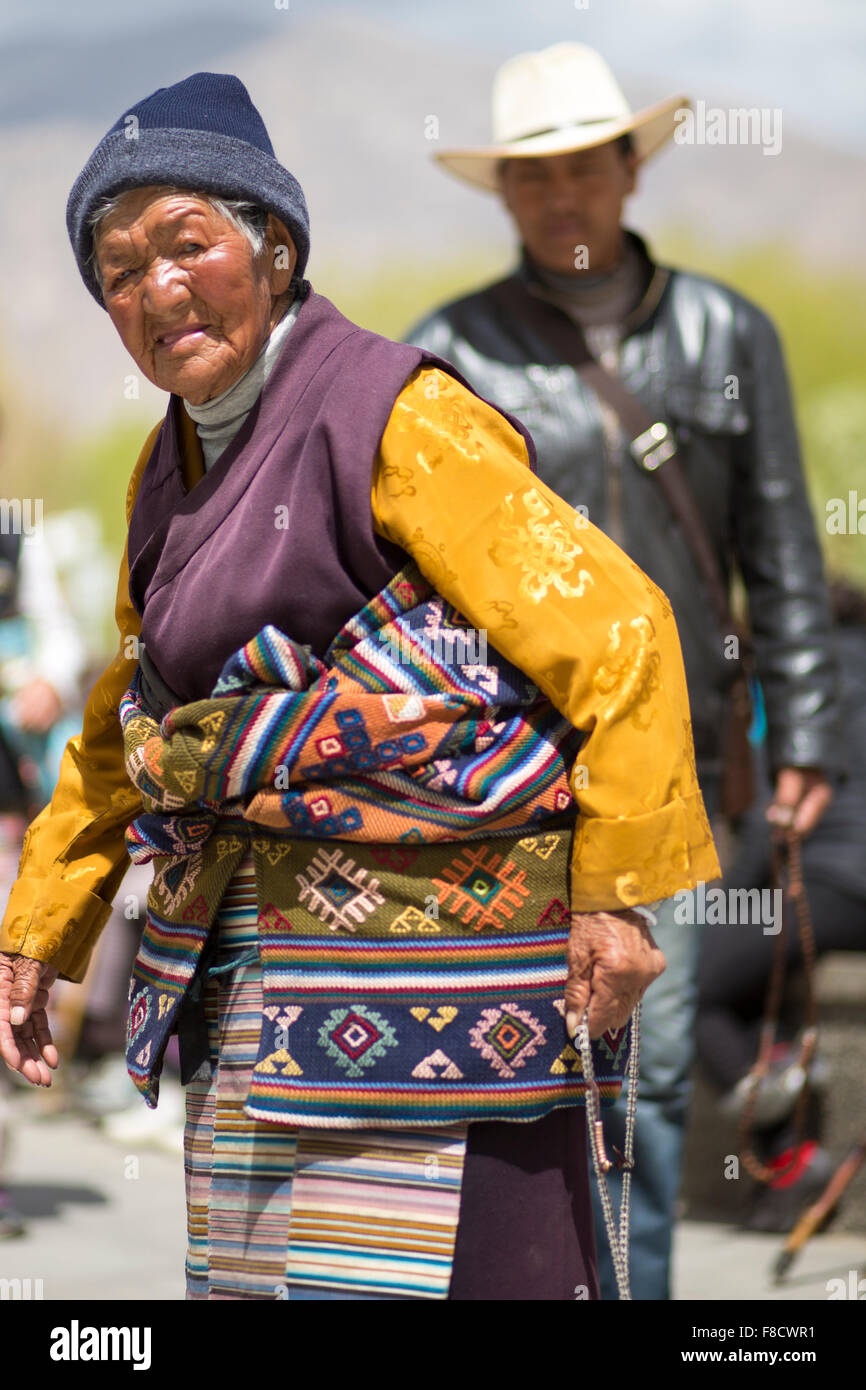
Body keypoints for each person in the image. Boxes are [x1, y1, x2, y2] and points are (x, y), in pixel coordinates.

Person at [0, 72, 719, 1301]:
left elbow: (616, 628)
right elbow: (135, 722)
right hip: (256, 994)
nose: (156, 289)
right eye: (117, 272)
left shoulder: (396, 414)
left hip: (448, 989)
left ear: (274, 248)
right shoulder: (157, 479)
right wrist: (41, 929)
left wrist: (613, 900)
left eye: (188, 244)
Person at [407, 42, 838, 1298]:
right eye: (530, 175)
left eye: (581, 166)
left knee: (641, 1062)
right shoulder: (451, 350)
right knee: (506, 1064)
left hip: (681, 770)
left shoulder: (726, 331)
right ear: (501, 193)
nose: (558, 196)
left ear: (628, 169)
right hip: (500, 766)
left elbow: (780, 545)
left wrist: (806, 726)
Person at [696, 578, 866, 1232]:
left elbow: (777, 821)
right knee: (761, 974)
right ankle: (790, 1138)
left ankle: (775, 1113)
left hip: (834, 885)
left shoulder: (797, 686)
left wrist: (722, 907)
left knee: (691, 982)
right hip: (834, 893)